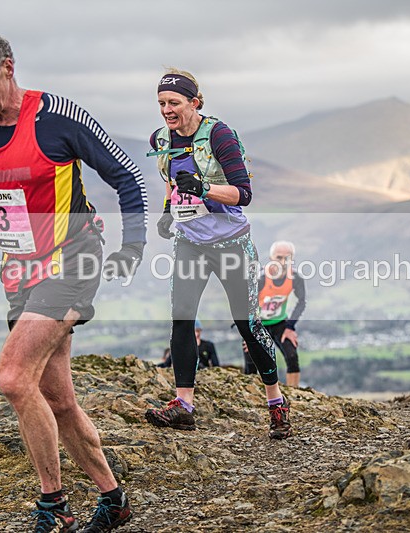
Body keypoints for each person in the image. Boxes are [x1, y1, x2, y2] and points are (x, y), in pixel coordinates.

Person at [0, 32, 146, 533]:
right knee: (56, 397)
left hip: (73, 262)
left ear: (8, 68)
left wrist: (134, 245)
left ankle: (53, 507)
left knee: (13, 376)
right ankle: (113, 499)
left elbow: (127, 176)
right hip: (20, 269)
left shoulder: (57, 118)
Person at [144, 68, 292, 439]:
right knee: (182, 320)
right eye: (161, 103)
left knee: (247, 324)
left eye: (174, 102)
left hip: (231, 243)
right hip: (190, 242)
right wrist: (167, 210)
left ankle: (276, 402)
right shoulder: (160, 137)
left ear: (194, 103)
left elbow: (243, 193)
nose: (166, 109)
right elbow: (170, 176)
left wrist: (205, 188)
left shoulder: (219, 135)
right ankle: (184, 404)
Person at [243, 241, 307, 387]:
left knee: (292, 356)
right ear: (271, 257)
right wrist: (248, 333)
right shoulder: (260, 278)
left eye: (288, 258)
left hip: (280, 324)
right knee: (251, 364)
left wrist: (290, 327)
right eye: (279, 257)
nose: (283, 262)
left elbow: (302, 302)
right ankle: (251, 396)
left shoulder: (295, 278)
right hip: (257, 325)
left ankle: (294, 394)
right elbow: (245, 305)